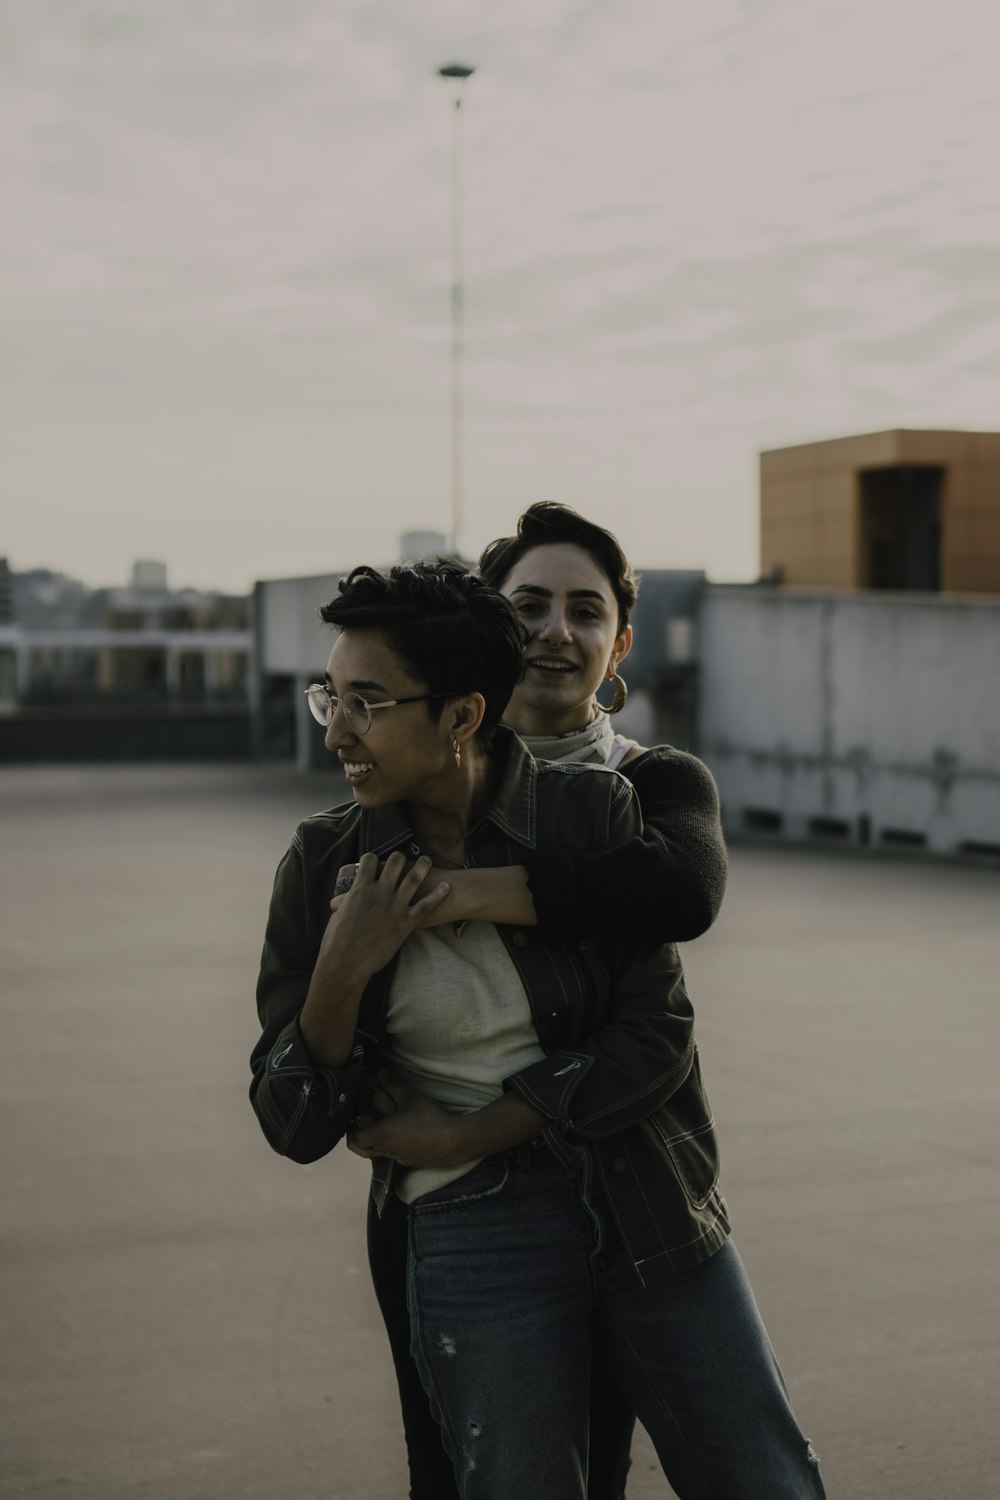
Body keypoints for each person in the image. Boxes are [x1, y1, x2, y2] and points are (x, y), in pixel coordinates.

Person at [251, 558, 827, 1499]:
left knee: (762, 1477)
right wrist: (342, 968)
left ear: (462, 716)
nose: (339, 731)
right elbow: (292, 1121)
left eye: (368, 701)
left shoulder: (594, 812)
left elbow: (658, 1034)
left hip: (641, 1191)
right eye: (331, 698)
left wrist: (487, 1124)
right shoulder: (324, 864)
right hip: (466, 1227)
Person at [363, 502, 730, 1500]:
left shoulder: (643, 785)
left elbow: (680, 897)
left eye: (584, 609)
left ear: (617, 643)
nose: (555, 630)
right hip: (446, 1213)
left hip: (627, 1180)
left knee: (593, 1467)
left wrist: (472, 893)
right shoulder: (405, 800)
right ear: (490, 636)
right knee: (454, 1468)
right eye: (528, 606)